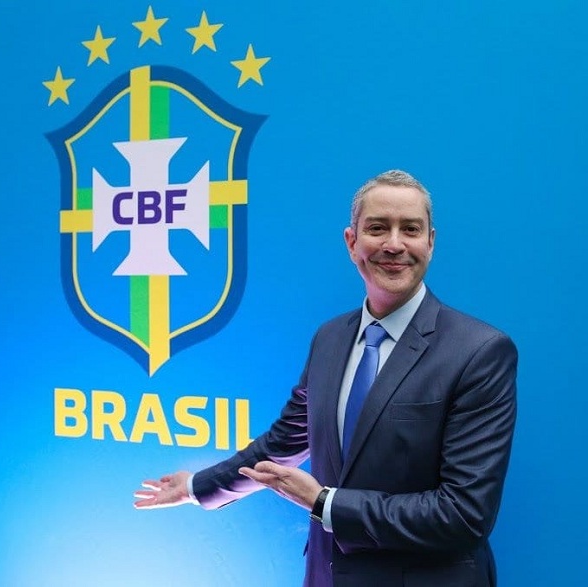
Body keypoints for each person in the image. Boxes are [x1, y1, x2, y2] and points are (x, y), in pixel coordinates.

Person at [133, 170, 518, 587]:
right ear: (352, 242)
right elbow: (283, 443)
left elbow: (464, 514)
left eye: (410, 229)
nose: (394, 244)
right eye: (377, 228)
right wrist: (196, 486)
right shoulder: (330, 338)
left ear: (430, 242)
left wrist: (323, 502)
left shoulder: (479, 351)